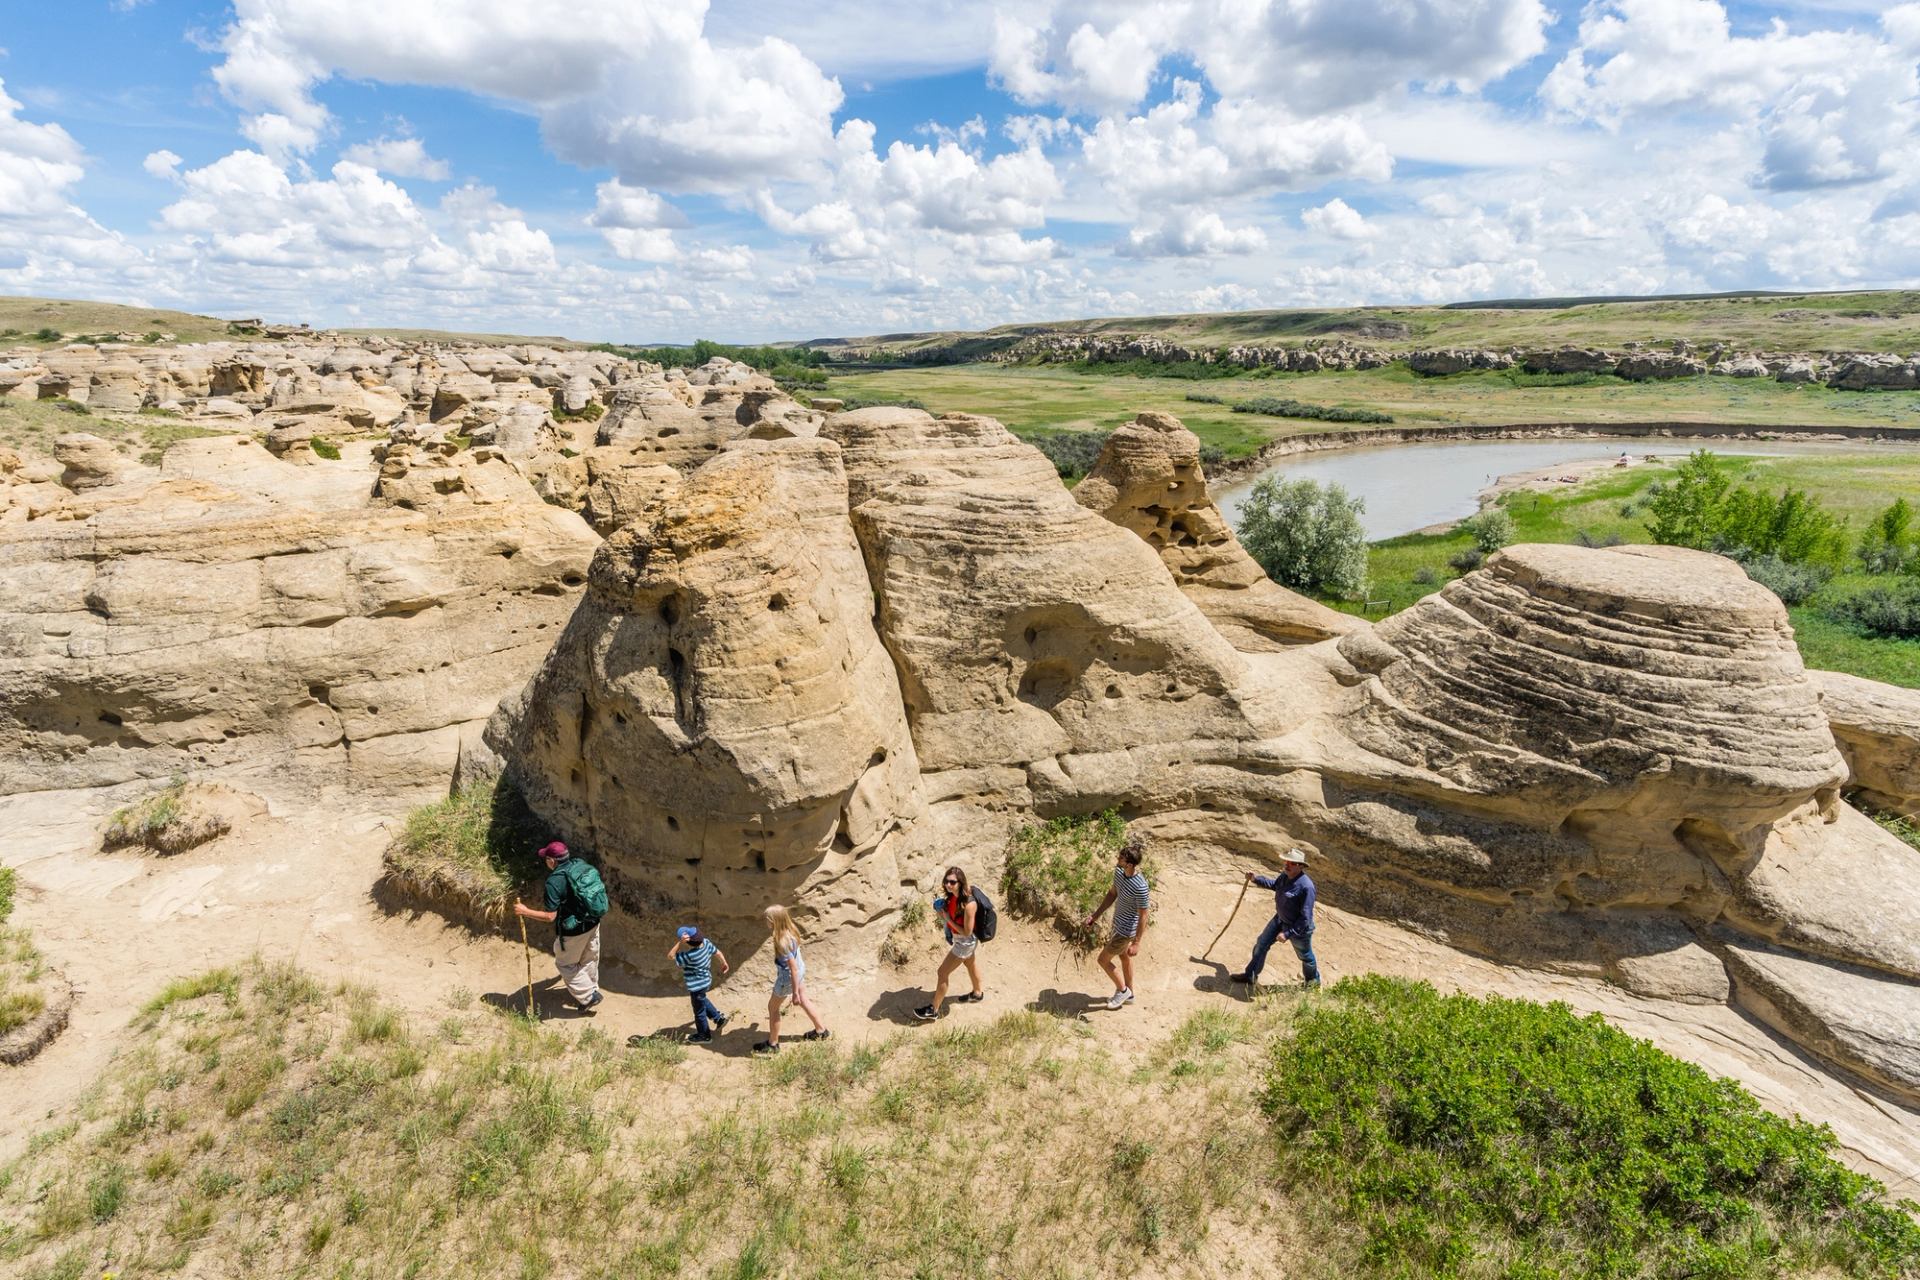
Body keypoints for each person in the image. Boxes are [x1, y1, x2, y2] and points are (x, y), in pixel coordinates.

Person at [513, 841, 607, 1014]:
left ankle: (588, 997)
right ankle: (591, 988)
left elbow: (550, 916)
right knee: (589, 957)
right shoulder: (580, 865)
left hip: (573, 931)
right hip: (594, 921)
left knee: (565, 964)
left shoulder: (554, 882)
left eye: (546, 859)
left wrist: (525, 911)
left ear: (551, 860)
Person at [1231, 848, 1319, 989]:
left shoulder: (1306, 887)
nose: (1287, 865)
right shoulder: (1284, 876)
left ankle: (1313, 983)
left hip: (1298, 929)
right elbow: (1274, 885)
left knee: (1306, 957)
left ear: (1301, 866)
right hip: (1279, 920)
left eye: (1292, 863)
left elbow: (1305, 918)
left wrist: (1288, 933)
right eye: (1286, 861)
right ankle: (1250, 976)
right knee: (1261, 944)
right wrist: (1255, 879)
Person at [1082, 836, 1151, 1010]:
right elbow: (1112, 894)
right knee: (1124, 958)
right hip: (1117, 925)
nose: (1117, 860)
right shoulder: (1119, 873)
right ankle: (1130, 994)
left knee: (1103, 960)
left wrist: (1136, 942)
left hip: (1126, 931)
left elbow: (1144, 915)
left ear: (1129, 864)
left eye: (1121, 858)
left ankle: (1122, 991)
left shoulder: (1140, 886)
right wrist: (1095, 916)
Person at [753, 904, 829, 1055]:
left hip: (788, 978)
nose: (765, 923)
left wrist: (794, 993)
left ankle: (773, 1044)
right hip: (800, 971)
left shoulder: (781, 941)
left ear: (773, 921)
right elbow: (796, 966)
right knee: (805, 1000)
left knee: (773, 1008)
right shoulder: (791, 931)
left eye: (766, 920)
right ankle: (821, 1030)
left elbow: (792, 968)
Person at [913, 866, 985, 1022]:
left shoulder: (969, 904)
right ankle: (977, 993)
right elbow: (949, 914)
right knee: (970, 965)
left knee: (942, 973)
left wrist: (948, 919)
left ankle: (934, 1010)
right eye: (946, 881)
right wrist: (942, 911)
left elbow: (967, 932)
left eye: (952, 882)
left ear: (960, 882)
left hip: (965, 942)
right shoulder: (952, 897)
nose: (948, 885)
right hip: (960, 939)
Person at [670, 925, 730, 1044]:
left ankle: (704, 1035)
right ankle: (719, 1019)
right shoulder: (706, 943)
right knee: (702, 999)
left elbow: (671, 956)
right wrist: (724, 963)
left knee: (699, 1011)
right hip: (706, 981)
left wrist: (679, 943)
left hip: (696, 986)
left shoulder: (690, 956)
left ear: (689, 943)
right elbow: (717, 952)